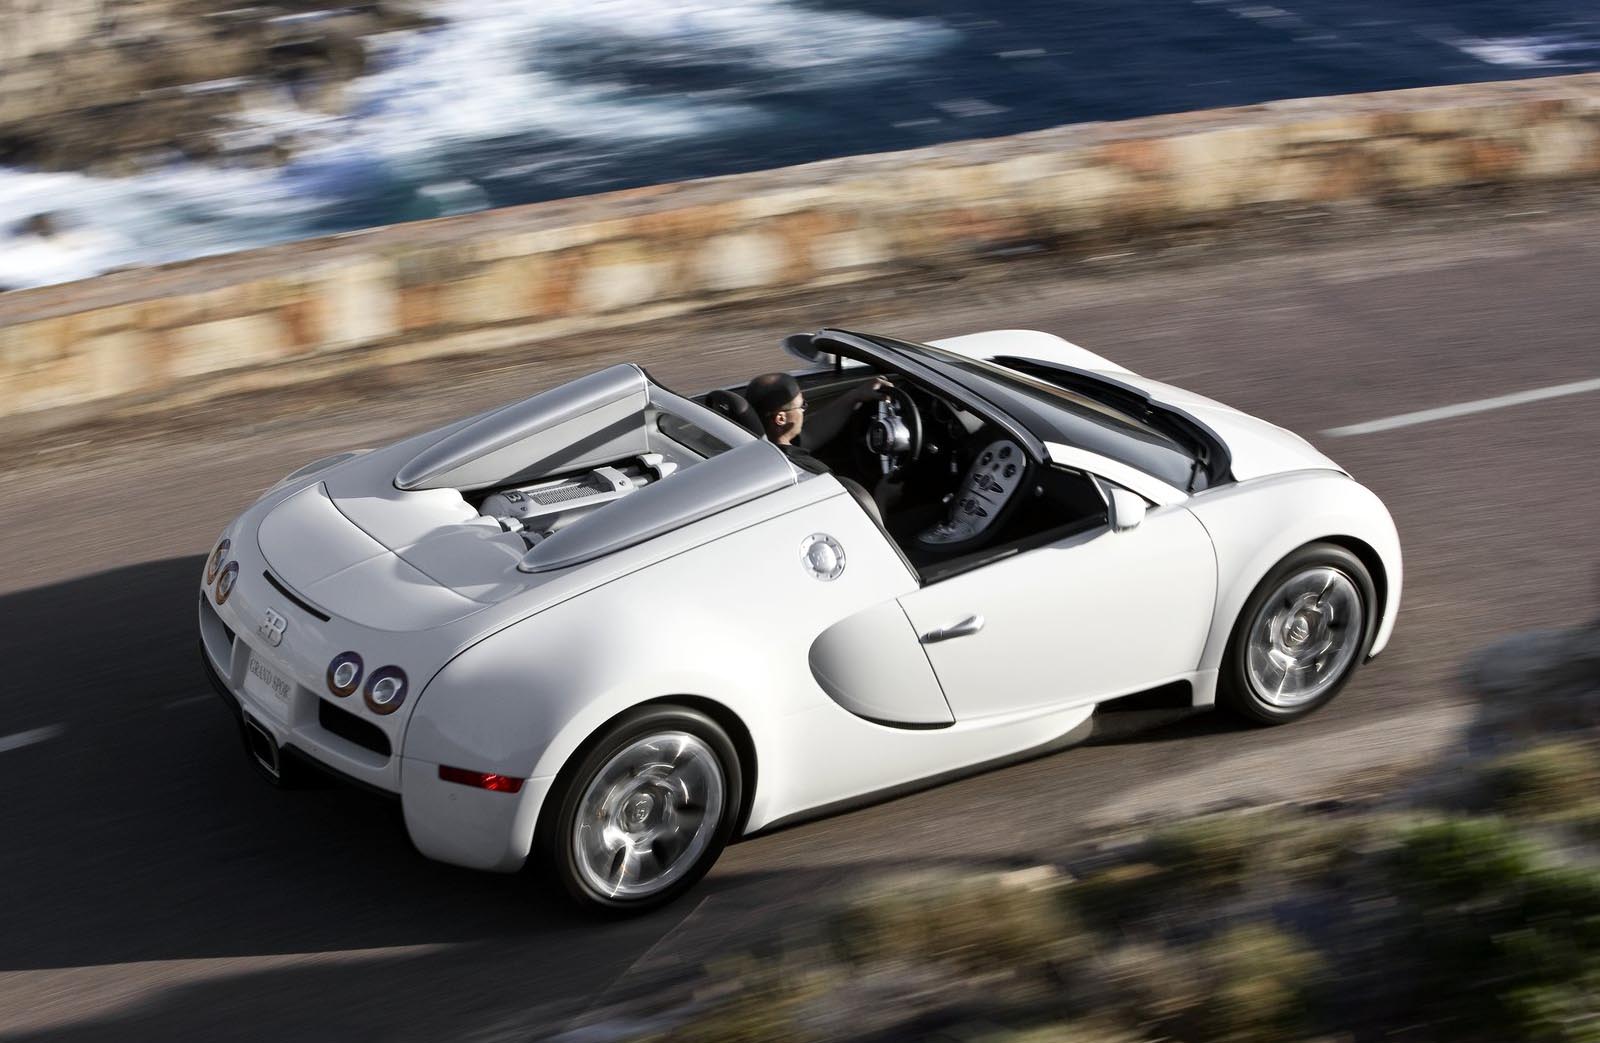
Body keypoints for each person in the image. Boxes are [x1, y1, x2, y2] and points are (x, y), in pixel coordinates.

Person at [742, 372, 892, 473]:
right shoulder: (806, 470)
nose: (804, 411)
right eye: (802, 406)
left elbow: (810, 433)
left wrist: (856, 395)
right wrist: (883, 496)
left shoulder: (751, 444)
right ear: (781, 419)